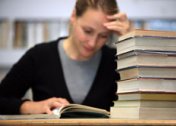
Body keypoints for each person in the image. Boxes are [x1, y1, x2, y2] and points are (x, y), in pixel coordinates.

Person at [0, 0, 130, 115]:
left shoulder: (115, 60)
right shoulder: (39, 56)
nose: (92, 43)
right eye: (87, 31)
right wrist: (32, 107)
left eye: (103, 36)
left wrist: (131, 43)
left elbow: (144, 105)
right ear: (73, 16)